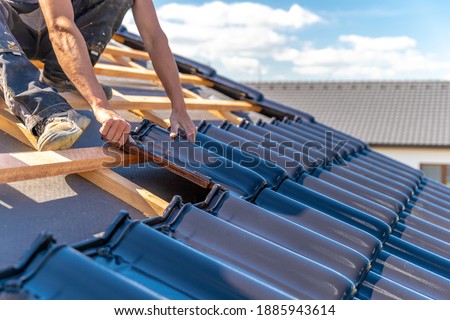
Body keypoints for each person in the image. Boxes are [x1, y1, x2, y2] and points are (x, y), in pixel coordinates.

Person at [0, 0, 196, 151]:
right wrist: (101, 105)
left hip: (55, 40)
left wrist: (179, 107)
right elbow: (60, 26)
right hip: (13, 29)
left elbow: (155, 39)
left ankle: (64, 77)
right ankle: (45, 111)